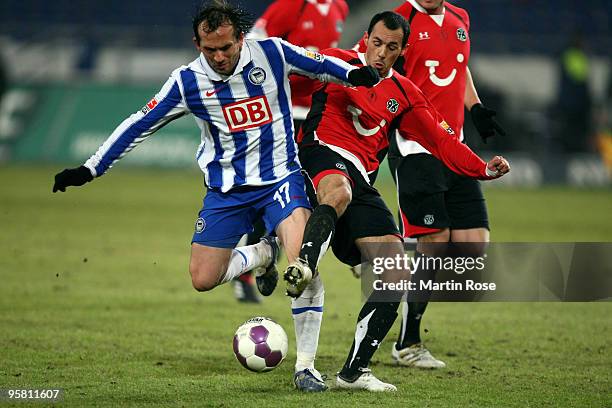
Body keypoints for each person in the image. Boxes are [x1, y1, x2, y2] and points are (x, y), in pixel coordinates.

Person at [51, 0, 379, 392]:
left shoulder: (271, 52)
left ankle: (306, 368)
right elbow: (140, 123)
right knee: (202, 278)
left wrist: (355, 74)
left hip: (280, 180)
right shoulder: (187, 82)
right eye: (210, 50)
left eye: (227, 47)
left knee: (303, 266)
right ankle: (262, 252)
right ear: (197, 43)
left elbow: (319, 61)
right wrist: (91, 168)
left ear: (241, 37)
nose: (220, 57)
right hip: (226, 193)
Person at [283, 11, 509, 391]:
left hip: (362, 181)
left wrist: (482, 169)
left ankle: (353, 373)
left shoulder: (404, 93)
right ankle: (302, 265)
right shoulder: (334, 62)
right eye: (376, 43)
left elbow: (443, 141)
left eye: (391, 48)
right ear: (366, 39)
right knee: (338, 190)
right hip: (320, 155)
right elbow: (284, 76)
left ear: (402, 50)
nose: (381, 53)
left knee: (395, 269)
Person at [354, 0, 507, 369]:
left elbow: (458, 66)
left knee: (473, 246)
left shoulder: (460, 18)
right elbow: (363, 67)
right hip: (415, 147)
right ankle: (407, 344)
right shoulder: (398, 22)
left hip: (454, 146)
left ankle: (384, 247)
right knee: (435, 243)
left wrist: (476, 108)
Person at [234, 0, 349, 303]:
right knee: (269, 189)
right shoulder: (292, 5)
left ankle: (276, 254)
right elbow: (254, 43)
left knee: (309, 195)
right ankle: (250, 269)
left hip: (315, 114)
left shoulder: (340, 7)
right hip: (282, 113)